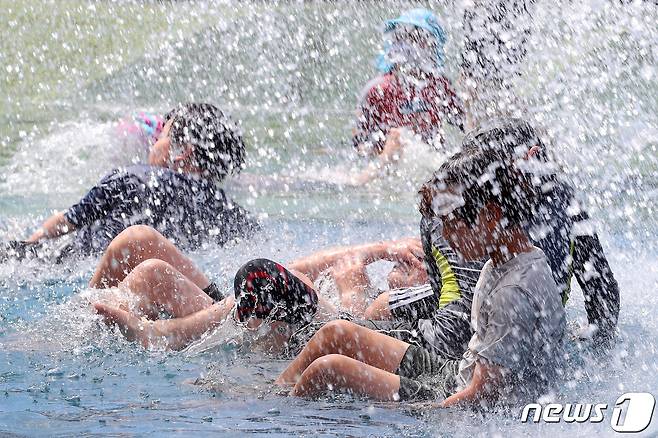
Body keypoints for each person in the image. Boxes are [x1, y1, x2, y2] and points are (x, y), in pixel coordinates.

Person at [275, 145, 566, 405]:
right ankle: (273, 395)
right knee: (335, 333)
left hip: (454, 395)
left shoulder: (512, 292)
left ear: (489, 216)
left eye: (451, 224)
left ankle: (276, 417)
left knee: (328, 368)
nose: (447, 236)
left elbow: (483, 398)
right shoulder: (512, 258)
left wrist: (422, 409)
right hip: (455, 372)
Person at [90, 224, 425, 351]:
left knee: (266, 276)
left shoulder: (395, 307)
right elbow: (299, 268)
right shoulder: (394, 291)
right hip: (246, 311)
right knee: (141, 245)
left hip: (281, 335)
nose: (406, 258)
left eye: (420, 258)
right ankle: (87, 320)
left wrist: (353, 290)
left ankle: (159, 334)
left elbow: (357, 336)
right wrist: (377, 249)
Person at [1, 103, 257, 262]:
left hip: (76, 265)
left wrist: (29, 245)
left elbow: (66, 222)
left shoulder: (132, 178)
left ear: (184, 152)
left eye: (163, 136)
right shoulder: (226, 210)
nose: (155, 142)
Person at [350, 8, 464, 185]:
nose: (409, 44)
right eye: (402, 37)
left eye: (418, 38)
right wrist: (387, 153)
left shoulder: (441, 86)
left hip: (431, 167)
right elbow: (359, 145)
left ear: (433, 45)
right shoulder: (377, 89)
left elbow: (466, 127)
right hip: (386, 170)